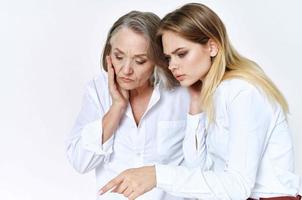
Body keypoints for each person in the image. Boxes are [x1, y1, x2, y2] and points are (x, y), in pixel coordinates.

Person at [99, 3, 302, 200]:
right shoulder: (215, 92)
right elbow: (199, 169)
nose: (172, 66)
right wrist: (195, 106)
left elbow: (238, 186)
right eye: (168, 58)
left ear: (212, 47)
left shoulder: (242, 92)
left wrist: (157, 175)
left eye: (181, 54)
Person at [65, 11, 192, 200]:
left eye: (140, 60)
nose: (126, 70)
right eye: (118, 56)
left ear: (158, 60)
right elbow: (80, 162)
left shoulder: (182, 92)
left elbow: (204, 164)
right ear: (108, 54)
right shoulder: (98, 91)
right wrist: (116, 107)